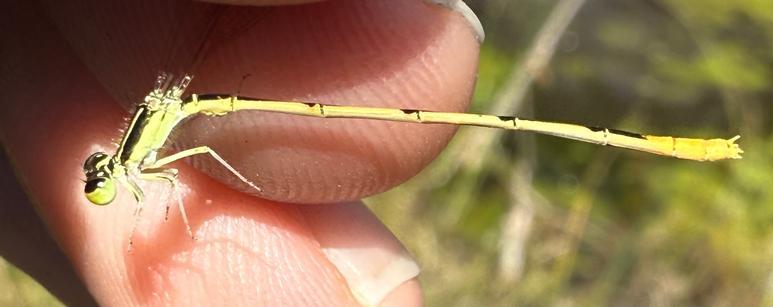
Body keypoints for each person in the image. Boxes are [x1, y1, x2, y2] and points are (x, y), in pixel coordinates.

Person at [0, 0, 482, 305]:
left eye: (99, 172)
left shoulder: (134, 161)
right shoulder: (133, 166)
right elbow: (164, 181)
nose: (100, 175)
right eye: (100, 174)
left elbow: (195, 154)